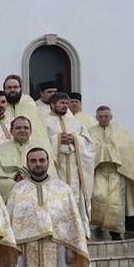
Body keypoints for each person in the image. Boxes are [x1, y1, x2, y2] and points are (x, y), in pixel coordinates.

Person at [88, 106, 134, 239]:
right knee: (98, 196)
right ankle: (99, 225)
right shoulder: (90, 132)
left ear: (111, 117)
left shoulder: (121, 131)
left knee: (116, 202)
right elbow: (87, 149)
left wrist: (111, 150)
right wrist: (103, 149)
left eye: (106, 116)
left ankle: (115, 232)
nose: (104, 119)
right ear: (96, 117)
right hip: (99, 170)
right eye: (101, 116)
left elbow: (129, 149)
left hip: (117, 171)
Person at [39, 91, 97, 224]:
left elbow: (90, 144)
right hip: (56, 167)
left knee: (75, 198)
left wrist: (75, 139)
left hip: (75, 167)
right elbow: (41, 143)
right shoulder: (44, 122)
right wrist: (58, 139)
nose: (65, 105)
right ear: (52, 105)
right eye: (61, 103)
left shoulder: (76, 123)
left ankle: (77, 228)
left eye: (66, 103)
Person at [0, 116, 52, 201]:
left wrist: (31, 182)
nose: (22, 130)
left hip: (36, 193)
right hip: (9, 195)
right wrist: (18, 185)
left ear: (31, 131)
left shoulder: (41, 150)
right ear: (11, 131)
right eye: (18, 128)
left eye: (26, 128)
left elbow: (49, 176)